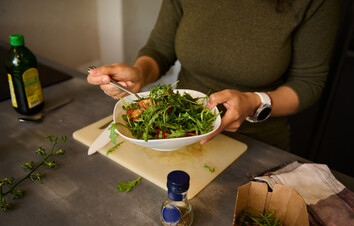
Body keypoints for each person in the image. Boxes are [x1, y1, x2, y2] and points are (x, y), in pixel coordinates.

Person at [87, 0, 339, 151]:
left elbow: (309, 81)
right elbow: (159, 49)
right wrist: (139, 73)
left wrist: (253, 102)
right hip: (176, 133)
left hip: (256, 141)